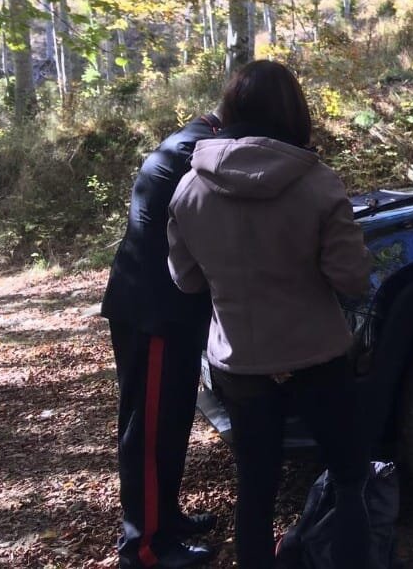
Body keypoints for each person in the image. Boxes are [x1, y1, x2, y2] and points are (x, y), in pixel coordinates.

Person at [166, 60, 372, 569]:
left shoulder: (189, 189)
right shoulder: (319, 183)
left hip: (239, 360)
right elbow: (351, 278)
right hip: (317, 353)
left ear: (231, 108)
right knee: (348, 473)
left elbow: (186, 280)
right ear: (294, 113)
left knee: (256, 483)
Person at [102, 112, 222, 569]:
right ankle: (146, 547)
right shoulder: (196, 155)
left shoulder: (188, 143)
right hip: (154, 312)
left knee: (169, 423)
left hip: (163, 309)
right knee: (150, 432)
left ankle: (165, 519)